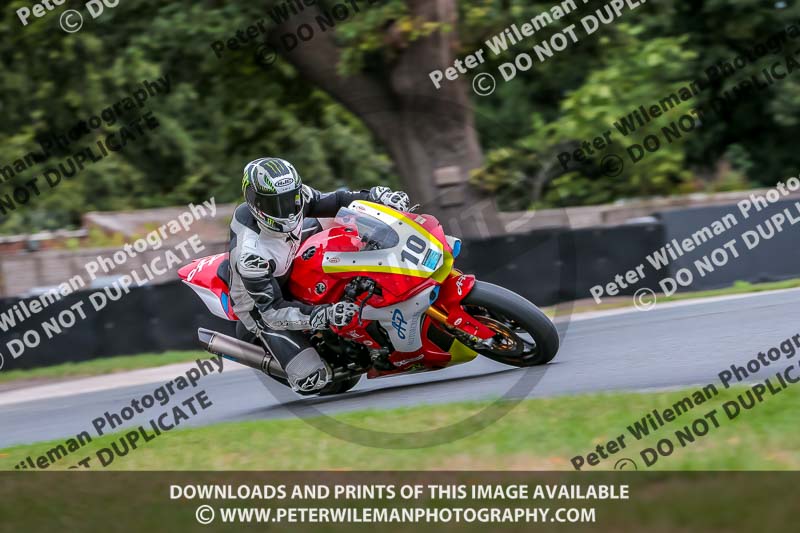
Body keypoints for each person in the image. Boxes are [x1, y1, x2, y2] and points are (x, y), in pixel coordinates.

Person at [229, 157, 410, 394]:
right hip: (260, 306)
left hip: (288, 252)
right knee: (311, 380)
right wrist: (323, 314)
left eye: (289, 199)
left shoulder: (298, 197)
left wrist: (377, 197)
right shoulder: (250, 255)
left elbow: (337, 200)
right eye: (276, 204)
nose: (286, 210)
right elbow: (273, 311)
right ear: (255, 202)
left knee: (344, 224)